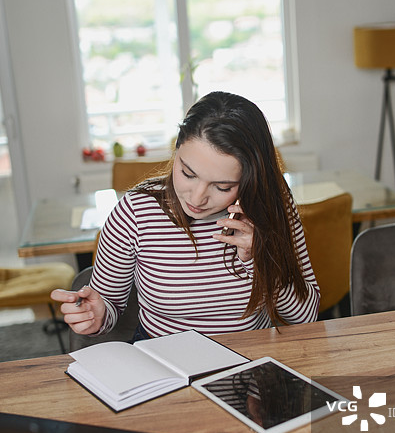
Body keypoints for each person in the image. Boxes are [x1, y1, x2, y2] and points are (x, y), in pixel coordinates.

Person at [51, 91, 320, 339]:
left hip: (248, 363)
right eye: (188, 174)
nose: (197, 198)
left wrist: (260, 259)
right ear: (176, 152)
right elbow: (108, 307)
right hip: (163, 365)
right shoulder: (135, 211)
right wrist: (96, 315)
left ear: (250, 179)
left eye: (222, 186)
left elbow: (305, 316)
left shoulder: (273, 207)